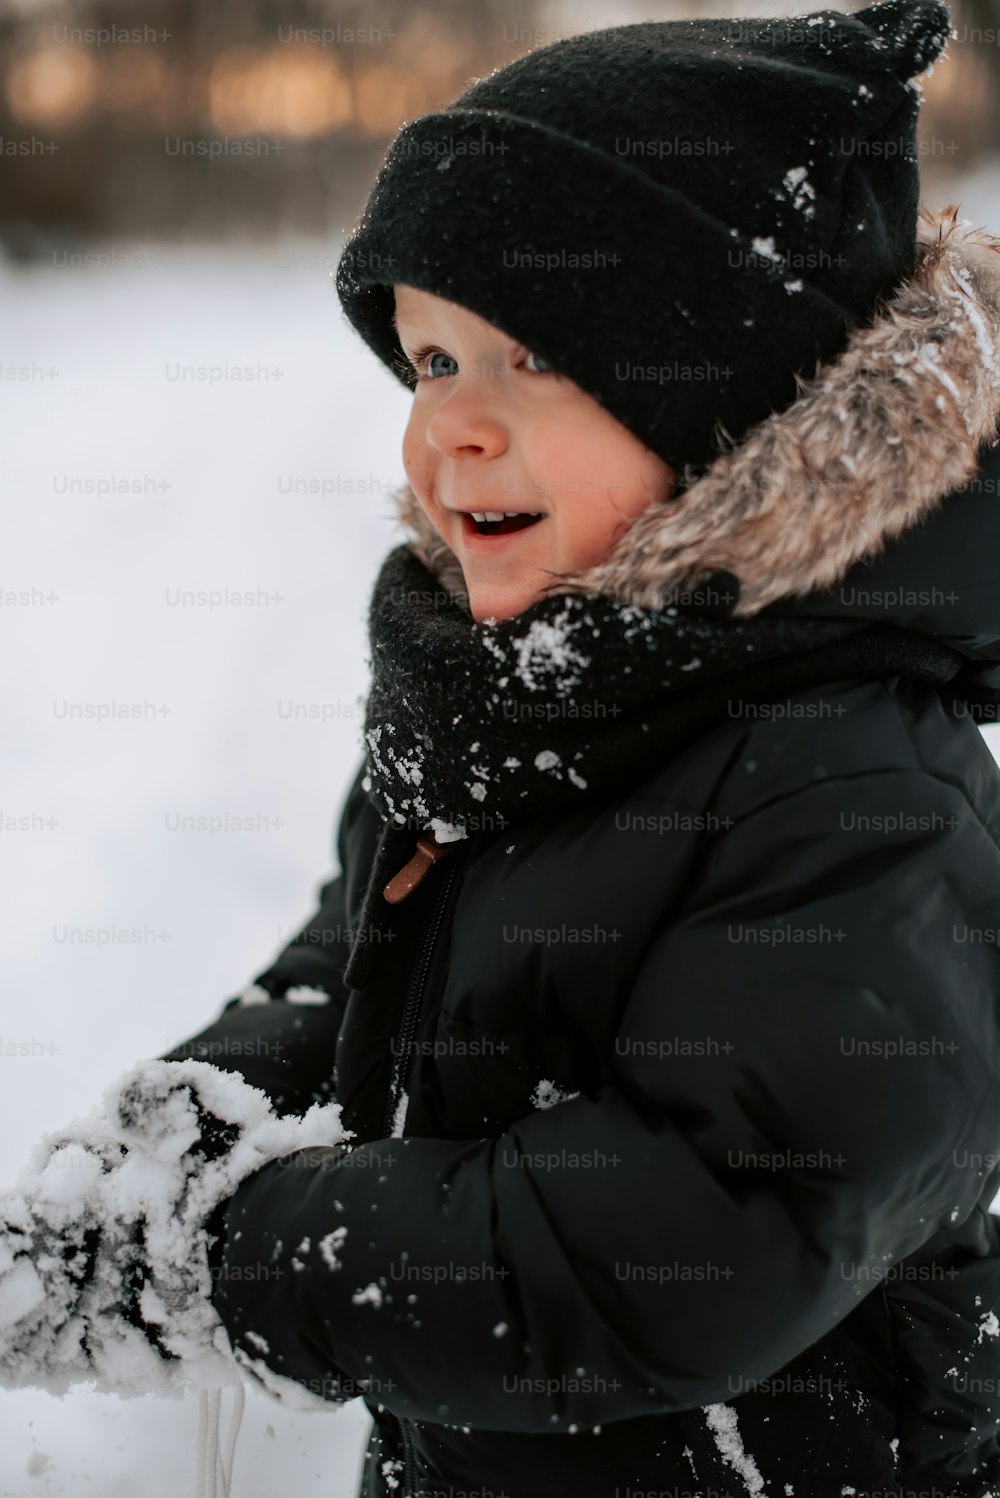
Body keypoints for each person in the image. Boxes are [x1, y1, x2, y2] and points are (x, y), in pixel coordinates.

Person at [4, 2, 1000, 1495]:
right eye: (428, 361)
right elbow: (356, 968)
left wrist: (242, 1255)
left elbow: (698, 1234)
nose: (448, 429)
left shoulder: (856, 782)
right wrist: (167, 1152)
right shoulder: (502, 695)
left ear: (729, 395)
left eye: (530, 353)